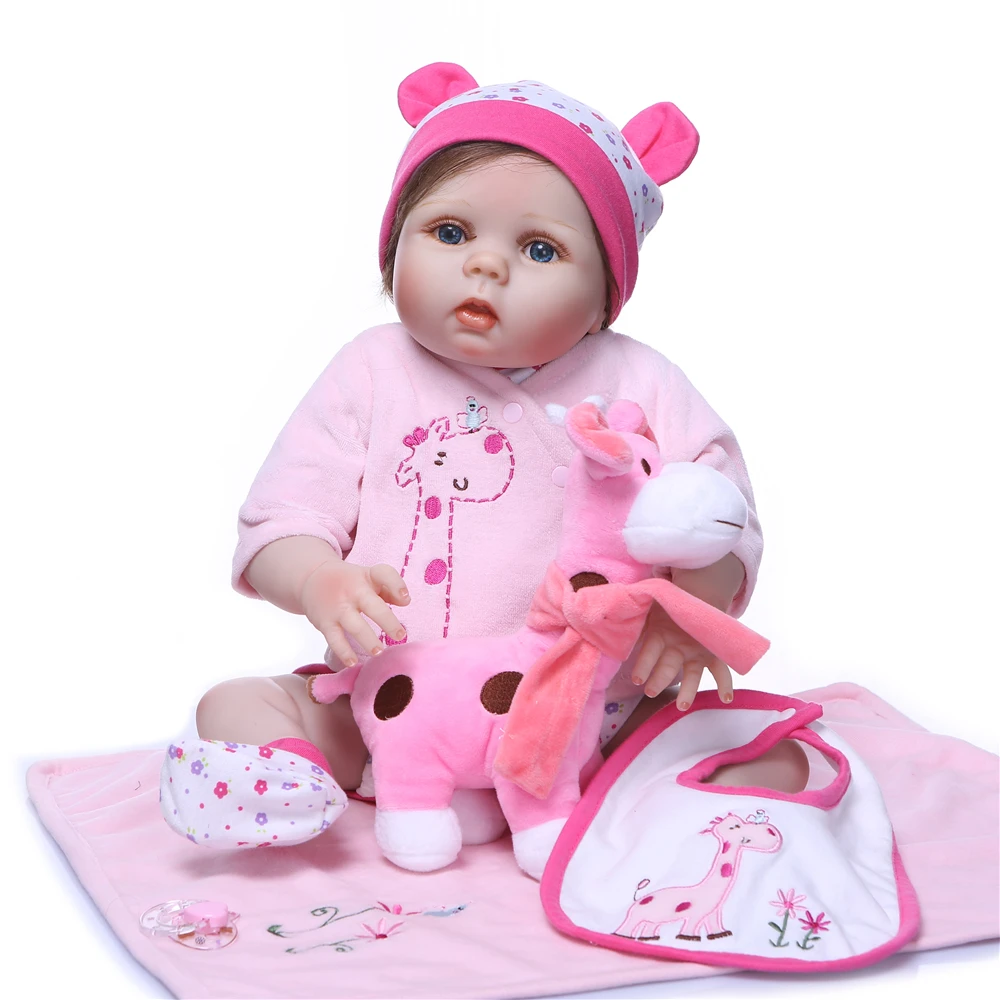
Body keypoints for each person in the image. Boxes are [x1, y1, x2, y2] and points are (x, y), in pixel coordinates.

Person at [160, 62, 807, 854]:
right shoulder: (372, 369)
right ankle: (304, 783)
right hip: (392, 702)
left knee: (749, 743)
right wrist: (317, 579)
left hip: (587, 708)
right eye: (451, 233)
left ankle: (642, 784)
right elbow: (280, 520)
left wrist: (689, 610)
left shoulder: (640, 382)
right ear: (395, 246)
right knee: (233, 706)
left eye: (539, 248)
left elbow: (718, 515)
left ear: (604, 296)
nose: (486, 266)